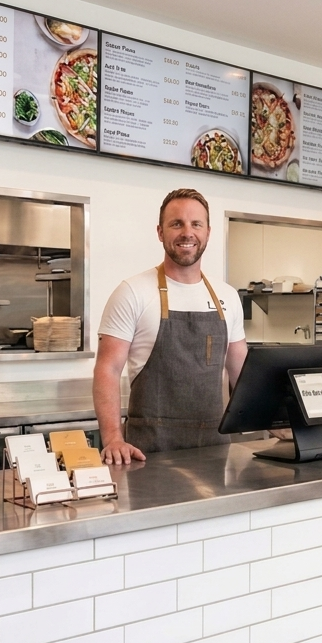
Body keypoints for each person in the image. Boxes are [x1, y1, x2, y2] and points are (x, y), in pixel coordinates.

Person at [94, 188, 247, 465]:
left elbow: (242, 374)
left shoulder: (228, 296)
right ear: (160, 232)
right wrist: (113, 438)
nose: (187, 232)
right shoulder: (132, 292)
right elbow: (107, 368)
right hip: (148, 454)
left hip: (213, 451)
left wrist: (275, 421)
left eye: (196, 224)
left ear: (208, 232)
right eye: (176, 223)